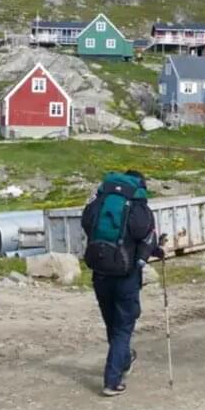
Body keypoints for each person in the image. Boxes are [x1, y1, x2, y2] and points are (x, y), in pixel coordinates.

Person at [81, 170, 161, 397]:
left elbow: (87, 225)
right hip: (126, 275)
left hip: (100, 271)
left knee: (113, 324)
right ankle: (112, 380)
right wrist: (154, 250)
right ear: (141, 185)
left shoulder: (101, 201)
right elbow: (143, 236)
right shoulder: (138, 206)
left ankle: (124, 359)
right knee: (124, 326)